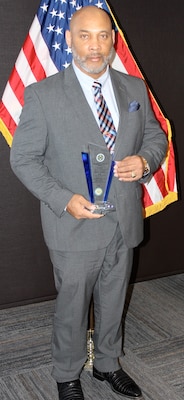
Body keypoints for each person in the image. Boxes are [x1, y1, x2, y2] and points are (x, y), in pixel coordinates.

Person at [10, 5, 167, 400]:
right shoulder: (42, 95)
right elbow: (23, 159)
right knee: (72, 306)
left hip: (124, 218)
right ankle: (66, 373)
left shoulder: (133, 88)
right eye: (84, 35)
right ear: (69, 39)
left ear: (113, 38)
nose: (94, 46)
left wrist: (145, 161)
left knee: (115, 298)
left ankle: (108, 364)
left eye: (102, 35)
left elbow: (155, 137)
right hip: (74, 223)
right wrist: (64, 200)